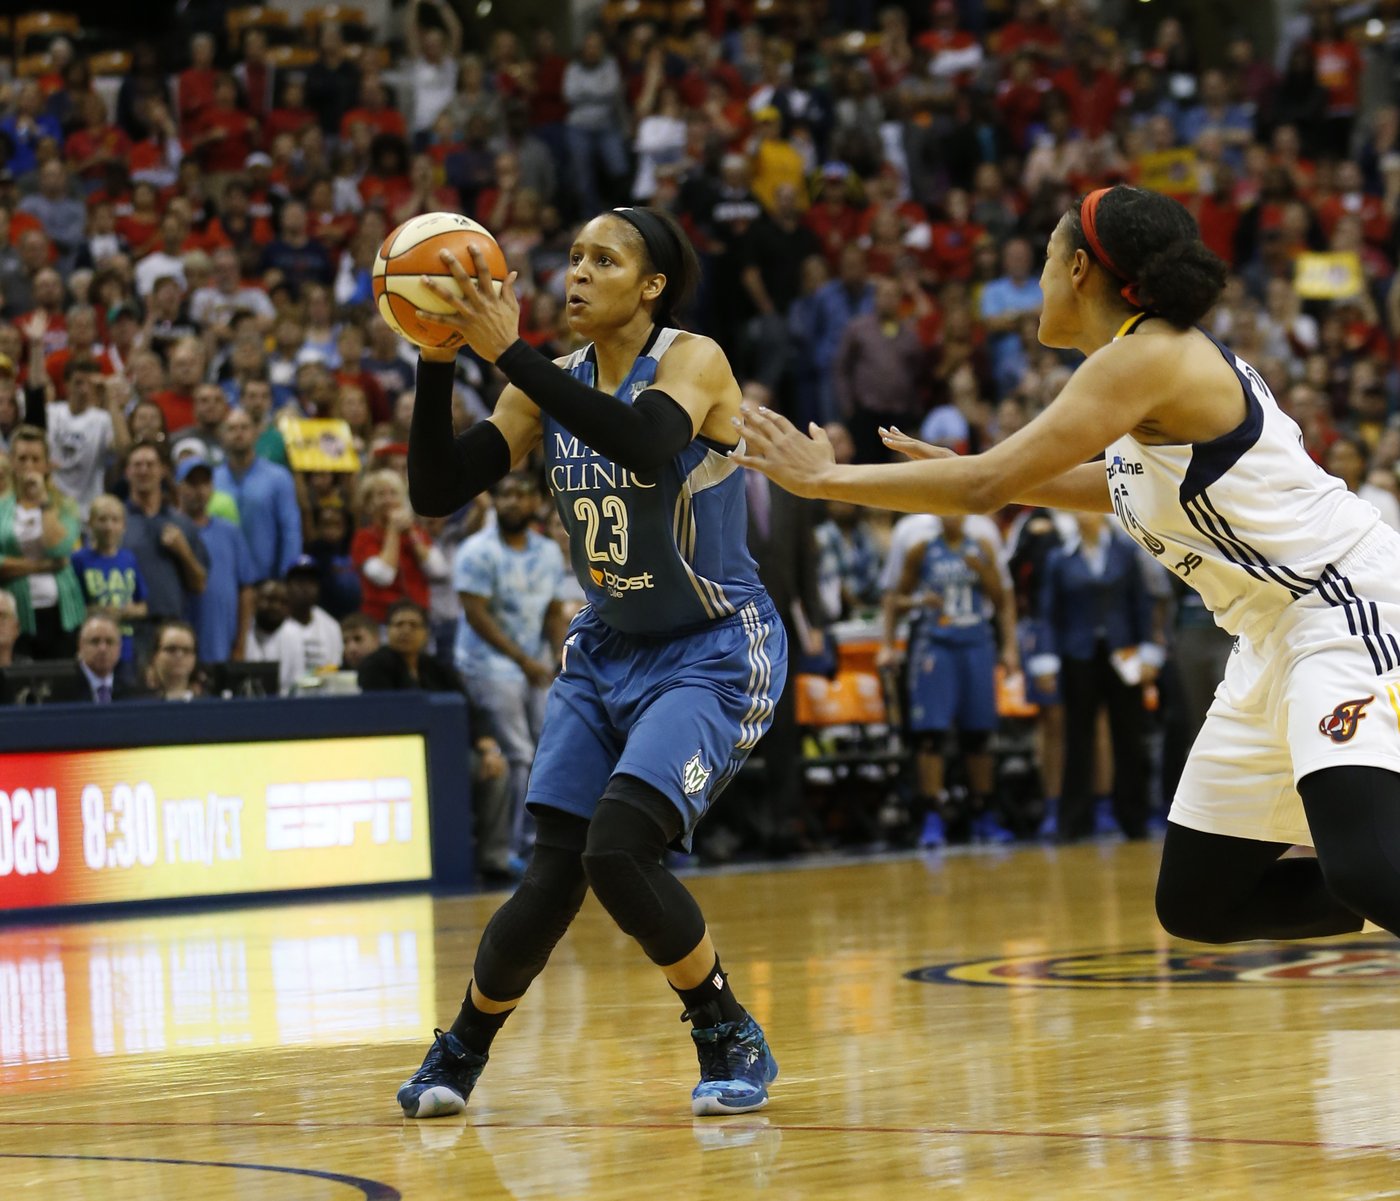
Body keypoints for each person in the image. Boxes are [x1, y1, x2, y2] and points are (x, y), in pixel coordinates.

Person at [735, 183, 1400, 948]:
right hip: (1269, 639)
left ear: (1079, 268)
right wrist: (985, 465)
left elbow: (984, 491)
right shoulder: (1142, 367)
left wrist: (826, 480)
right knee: (1200, 902)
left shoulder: (1145, 357)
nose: (1041, 280)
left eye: (1048, 259)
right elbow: (1114, 488)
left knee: (1367, 867)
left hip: (1341, 606)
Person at [397, 206, 784, 1120]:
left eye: (602, 260)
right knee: (553, 872)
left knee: (621, 846)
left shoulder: (694, 360)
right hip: (606, 648)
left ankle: (724, 1024)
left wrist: (507, 354)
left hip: (714, 649)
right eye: (571, 257)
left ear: (651, 287)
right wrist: (435, 354)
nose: (576, 273)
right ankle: (461, 1048)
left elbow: (648, 446)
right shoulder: (545, 385)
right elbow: (434, 490)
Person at [453, 471, 570, 863]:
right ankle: (513, 848)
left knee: (550, 746)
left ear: (536, 503)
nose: (513, 502)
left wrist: (557, 656)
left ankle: (544, 840)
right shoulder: (475, 550)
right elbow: (475, 615)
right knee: (517, 752)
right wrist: (524, 661)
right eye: (505, 495)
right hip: (488, 665)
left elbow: (555, 612)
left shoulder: (549, 552)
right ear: (496, 501)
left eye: (522, 495)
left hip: (535, 664)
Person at [357, 599, 515, 882]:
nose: (405, 631)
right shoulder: (375, 666)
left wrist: (489, 747)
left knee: (496, 772)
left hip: (447, 755)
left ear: (426, 634)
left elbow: (471, 711)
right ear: (386, 631)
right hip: (396, 758)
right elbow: (382, 715)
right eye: (398, 625)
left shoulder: (438, 668)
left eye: (413, 625)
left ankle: (492, 860)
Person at [885, 512, 1018, 845]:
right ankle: (932, 816)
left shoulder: (983, 544)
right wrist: (914, 606)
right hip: (936, 644)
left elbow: (1002, 600)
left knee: (979, 734)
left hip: (976, 643)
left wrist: (984, 571)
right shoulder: (921, 548)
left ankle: (983, 813)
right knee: (930, 734)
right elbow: (893, 599)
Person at [1032, 510, 1161, 840]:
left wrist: (1149, 650)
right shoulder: (1060, 558)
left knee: (1129, 736)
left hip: (1124, 653)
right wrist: (1046, 657)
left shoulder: (1126, 551)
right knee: (1078, 737)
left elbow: (1141, 605)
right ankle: (1074, 821)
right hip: (1078, 655)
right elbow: (1048, 613)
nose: (1081, 515)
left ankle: (1134, 818)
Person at [0, 425, 85, 659]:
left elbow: (59, 547)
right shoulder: (1, 508)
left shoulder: (64, 505)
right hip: (15, 615)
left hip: (62, 613)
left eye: (36, 459)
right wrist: (42, 566)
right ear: (11, 462)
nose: (29, 466)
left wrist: (42, 500)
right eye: (22, 458)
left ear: (47, 464)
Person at [175, 457, 256, 664]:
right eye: (192, 483)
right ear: (178, 488)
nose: (199, 490)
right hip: (178, 643)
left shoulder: (230, 532)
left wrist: (240, 644)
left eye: (205, 483)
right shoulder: (170, 529)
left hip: (221, 641)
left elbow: (245, 589)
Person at [73, 494, 148, 667]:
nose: (109, 526)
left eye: (115, 520)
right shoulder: (79, 560)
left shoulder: (129, 559)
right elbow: (74, 610)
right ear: (91, 523)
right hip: (93, 650)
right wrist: (103, 612)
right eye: (102, 519)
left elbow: (143, 606)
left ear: (124, 525)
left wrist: (127, 612)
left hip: (126, 647)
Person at [244, 578, 307, 695]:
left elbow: (298, 683)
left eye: (283, 602)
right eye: (270, 599)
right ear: (255, 600)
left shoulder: (294, 634)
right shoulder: (243, 631)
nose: (276, 607)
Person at [285, 554, 343, 673]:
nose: (305, 587)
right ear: (287, 586)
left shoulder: (331, 626)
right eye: (299, 581)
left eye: (311, 582)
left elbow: (334, 669)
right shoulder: (275, 623)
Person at [75, 611, 141, 702]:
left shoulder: (132, 691)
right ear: (81, 646)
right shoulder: (63, 688)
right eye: (95, 641)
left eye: (109, 642)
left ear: (119, 648)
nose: (103, 649)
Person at [145, 619, 201, 701]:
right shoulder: (136, 700)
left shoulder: (209, 704)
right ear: (155, 655)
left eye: (186, 650)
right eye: (171, 649)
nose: (179, 655)